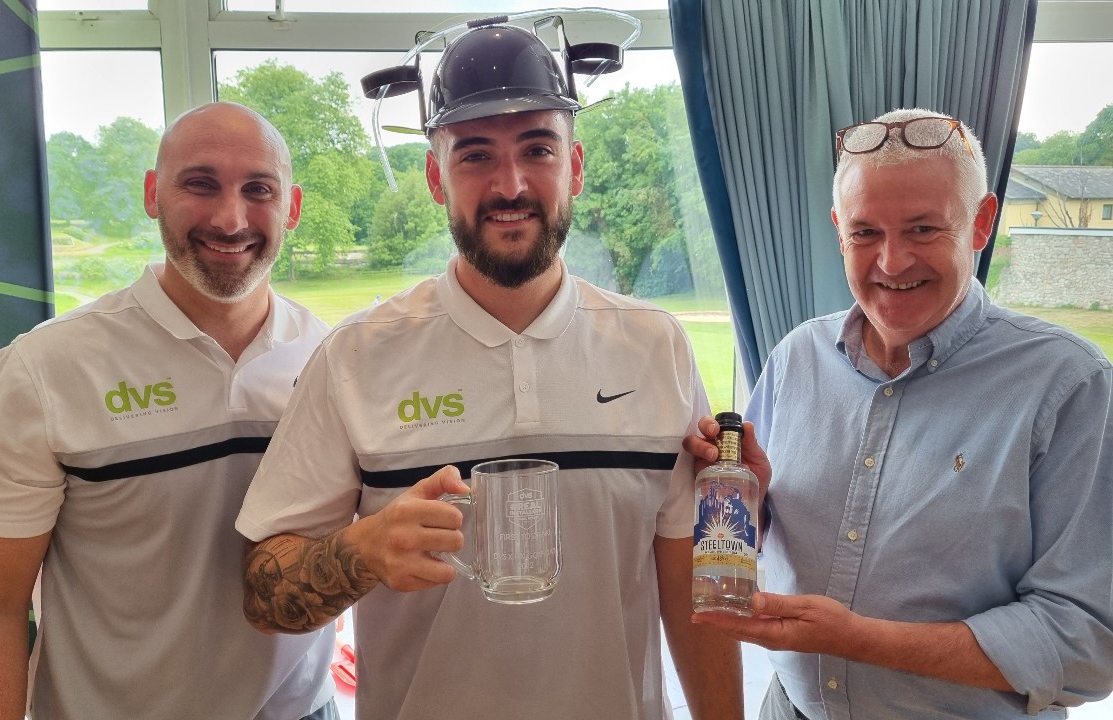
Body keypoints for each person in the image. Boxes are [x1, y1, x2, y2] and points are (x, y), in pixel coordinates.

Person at [237, 21, 743, 720]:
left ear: (575, 166)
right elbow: (263, 593)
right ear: (435, 177)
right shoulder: (357, 356)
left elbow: (692, 588)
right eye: (475, 155)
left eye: (538, 148)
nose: (511, 184)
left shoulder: (656, 346)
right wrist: (359, 553)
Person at [686, 108, 1113, 718]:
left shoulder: (1069, 383)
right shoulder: (797, 356)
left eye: (923, 229)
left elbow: (1085, 645)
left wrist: (858, 640)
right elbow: (761, 545)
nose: (892, 262)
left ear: (981, 223)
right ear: (839, 230)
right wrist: (753, 503)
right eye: (865, 232)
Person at [0, 102, 338, 720]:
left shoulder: (331, 357)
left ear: (292, 207)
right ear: (154, 194)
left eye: (258, 189)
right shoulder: (43, 371)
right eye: (200, 184)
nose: (230, 219)